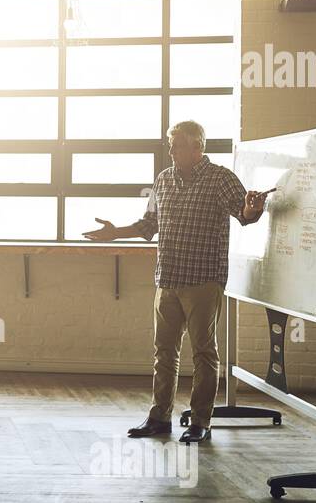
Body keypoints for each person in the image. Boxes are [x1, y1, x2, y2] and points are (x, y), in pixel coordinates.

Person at [84, 120, 269, 444]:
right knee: (164, 353)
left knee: (203, 353)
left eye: (178, 145)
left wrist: (253, 209)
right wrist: (116, 232)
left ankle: (201, 421)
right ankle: (159, 417)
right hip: (167, 278)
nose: (171, 151)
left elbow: (245, 214)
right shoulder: (164, 179)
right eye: (170, 145)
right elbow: (149, 224)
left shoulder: (220, 178)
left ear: (198, 147)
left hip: (203, 281)